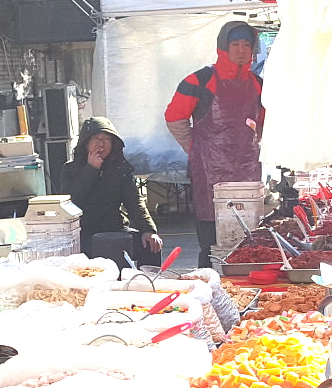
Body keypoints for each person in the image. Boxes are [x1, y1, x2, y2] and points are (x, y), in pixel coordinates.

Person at [166, 21, 264, 259]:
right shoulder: (198, 81)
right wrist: (195, 148)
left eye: (246, 45)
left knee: (250, 242)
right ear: (223, 47)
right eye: (235, 44)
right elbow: (174, 117)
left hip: (248, 173)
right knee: (211, 243)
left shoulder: (259, 84)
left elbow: (265, 124)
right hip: (209, 174)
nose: (241, 50)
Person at [63, 117, 162, 268]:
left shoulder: (120, 169)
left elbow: (135, 202)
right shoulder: (70, 169)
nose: (101, 144)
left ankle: (147, 286)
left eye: (106, 139)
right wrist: (91, 170)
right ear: (86, 142)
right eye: (96, 138)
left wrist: (148, 230)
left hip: (115, 229)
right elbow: (71, 204)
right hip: (85, 233)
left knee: (150, 244)